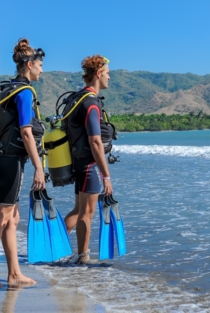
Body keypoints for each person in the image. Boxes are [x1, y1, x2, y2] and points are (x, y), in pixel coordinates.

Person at [0, 38, 46, 288]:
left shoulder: (10, 89)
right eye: (39, 65)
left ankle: (14, 274)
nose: (41, 70)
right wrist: (39, 168)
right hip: (11, 162)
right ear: (28, 65)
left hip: (4, 159)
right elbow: (26, 132)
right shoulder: (24, 92)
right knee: (3, 216)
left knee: (13, 217)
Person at [64, 55, 114, 264]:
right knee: (87, 212)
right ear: (98, 74)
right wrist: (107, 176)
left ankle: (54, 246)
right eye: (108, 73)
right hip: (89, 165)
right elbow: (95, 142)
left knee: (78, 210)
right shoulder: (91, 103)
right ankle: (82, 257)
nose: (109, 78)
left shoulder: (77, 99)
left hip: (78, 162)